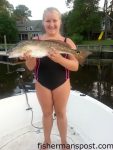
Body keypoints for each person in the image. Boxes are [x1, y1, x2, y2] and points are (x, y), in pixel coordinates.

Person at [23, 7, 79, 149]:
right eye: (48, 21)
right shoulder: (35, 40)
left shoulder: (67, 41)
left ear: (60, 22)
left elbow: (75, 66)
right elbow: (30, 67)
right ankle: (47, 141)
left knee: (61, 114)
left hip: (62, 82)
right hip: (42, 82)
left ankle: (63, 141)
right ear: (43, 22)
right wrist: (29, 58)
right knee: (46, 114)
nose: (51, 24)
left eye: (55, 20)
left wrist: (60, 59)